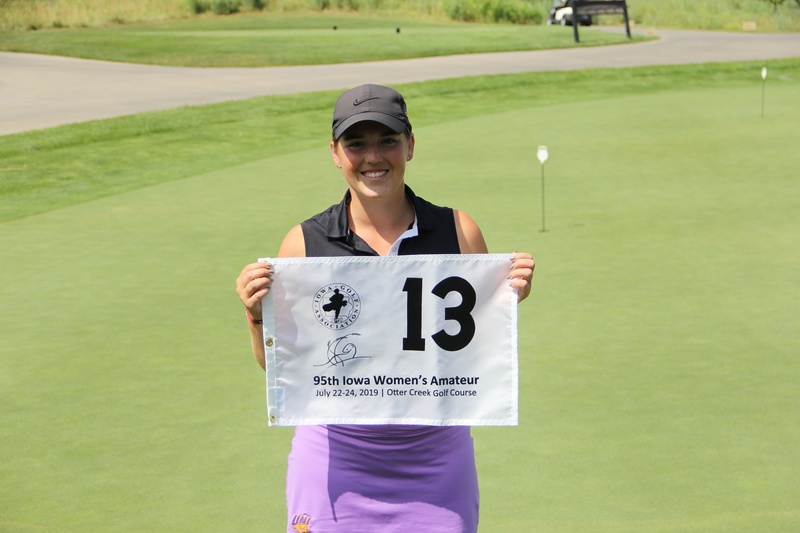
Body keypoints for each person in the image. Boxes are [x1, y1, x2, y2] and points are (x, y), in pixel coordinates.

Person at [236, 84, 535, 532]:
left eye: (388, 141)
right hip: (335, 460)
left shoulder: (458, 231)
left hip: (436, 459)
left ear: (410, 145)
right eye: (356, 144)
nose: (373, 157)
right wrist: (256, 315)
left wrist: (506, 299)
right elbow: (284, 368)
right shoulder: (303, 244)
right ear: (335, 153)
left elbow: (476, 352)